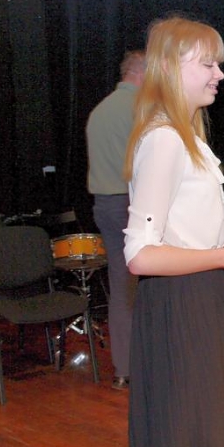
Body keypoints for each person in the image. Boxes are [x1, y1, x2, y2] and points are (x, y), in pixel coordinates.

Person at [122, 16, 224, 447]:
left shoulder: (185, 136)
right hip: (181, 304)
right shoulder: (165, 139)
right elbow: (140, 255)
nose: (219, 74)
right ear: (171, 67)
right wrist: (223, 258)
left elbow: (181, 231)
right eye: (207, 64)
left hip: (196, 299)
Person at [86, 49, 145, 391]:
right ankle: (147, 361)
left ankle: (124, 367)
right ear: (142, 73)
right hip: (132, 206)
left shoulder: (99, 110)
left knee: (122, 285)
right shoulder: (141, 109)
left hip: (104, 206)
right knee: (145, 285)